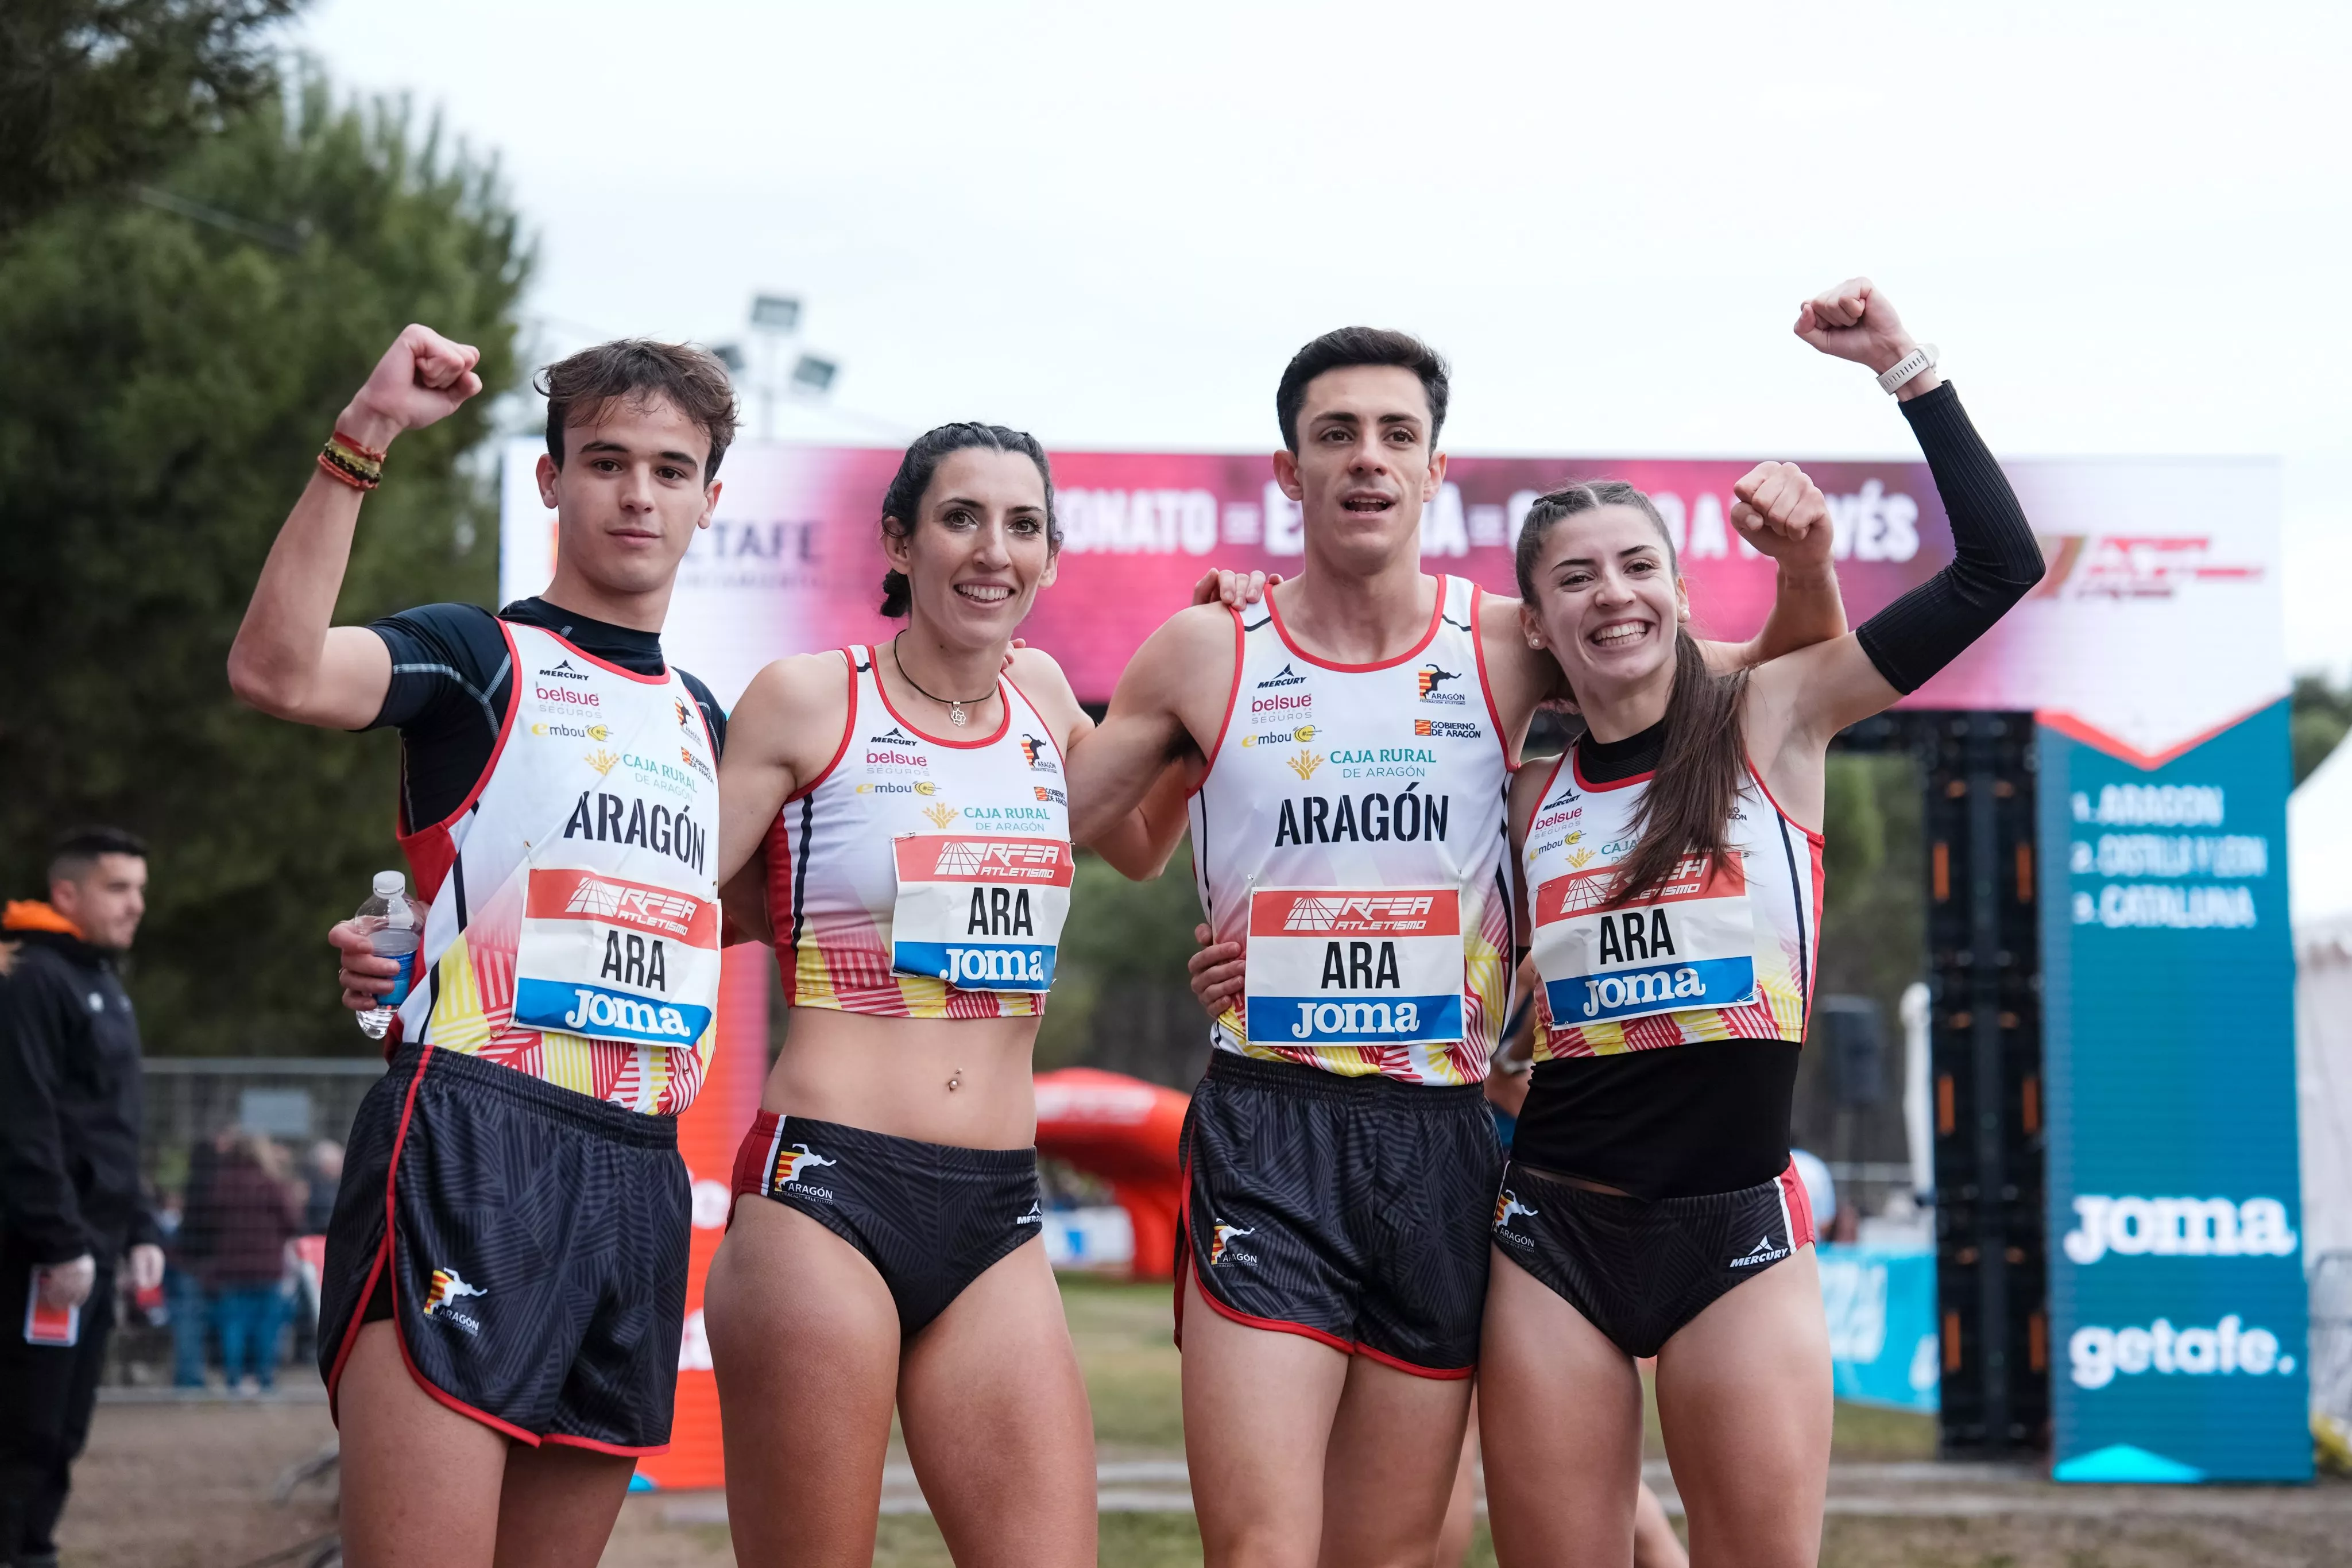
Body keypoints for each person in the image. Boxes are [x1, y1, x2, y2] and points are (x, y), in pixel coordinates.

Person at [1069, 328, 1847, 1566]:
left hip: (1441, 1134)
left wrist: (1801, 565)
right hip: (1270, 1123)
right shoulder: (1208, 647)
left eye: (1395, 436)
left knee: (1391, 1552)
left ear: (1437, 472)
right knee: (1263, 1548)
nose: (1365, 459)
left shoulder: (1511, 640)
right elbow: (1070, 823)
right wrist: (1021, 700)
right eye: (1335, 436)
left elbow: (1762, 678)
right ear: (1288, 473)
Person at [1479, 278, 2041, 1567]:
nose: (1610, 594)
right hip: (1551, 1229)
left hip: (1735, 1227)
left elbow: (1998, 568)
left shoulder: (1772, 719)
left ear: (1676, 590)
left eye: (1635, 566)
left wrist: (1903, 367)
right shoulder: (1525, 785)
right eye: (1574, 579)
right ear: (1539, 623)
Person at [229, 324, 743, 1567]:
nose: (637, 494)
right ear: (550, 480)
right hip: (471, 1139)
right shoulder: (476, 658)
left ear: (710, 500)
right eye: (606, 461)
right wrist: (366, 435)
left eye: (670, 470)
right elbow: (278, 669)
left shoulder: (705, 721)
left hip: (638, 1167)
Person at [693, 423, 1215, 1568]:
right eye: (960, 518)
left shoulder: (1038, 698)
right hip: (826, 1186)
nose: (993, 550)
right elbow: (679, 898)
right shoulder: (803, 700)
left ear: (1050, 555)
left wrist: (1205, 680)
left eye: (1022, 524)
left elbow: (1133, 846)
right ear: (899, 538)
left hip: (992, 1204)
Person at [0, 828, 167, 1568]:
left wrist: (138, 1227)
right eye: (117, 888)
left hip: (95, 1252)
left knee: (62, 1428)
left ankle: (36, 1549)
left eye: (140, 889)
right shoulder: (33, 979)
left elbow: (107, 1127)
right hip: (45, 1255)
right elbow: (24, 1119)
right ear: (66, 892)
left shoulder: (102, 983)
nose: (136, 905)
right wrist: (59, 1239)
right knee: (24, 1428)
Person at [188, 1131, 303, 1393]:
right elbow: (292, 1222)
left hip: (230, 1268)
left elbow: (208, 1225)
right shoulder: (271, 1184)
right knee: (267, 1327)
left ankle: (234, 1380)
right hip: (268, 1267)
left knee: (234, 1325)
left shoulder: (220, 1185)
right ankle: (265, 1379)